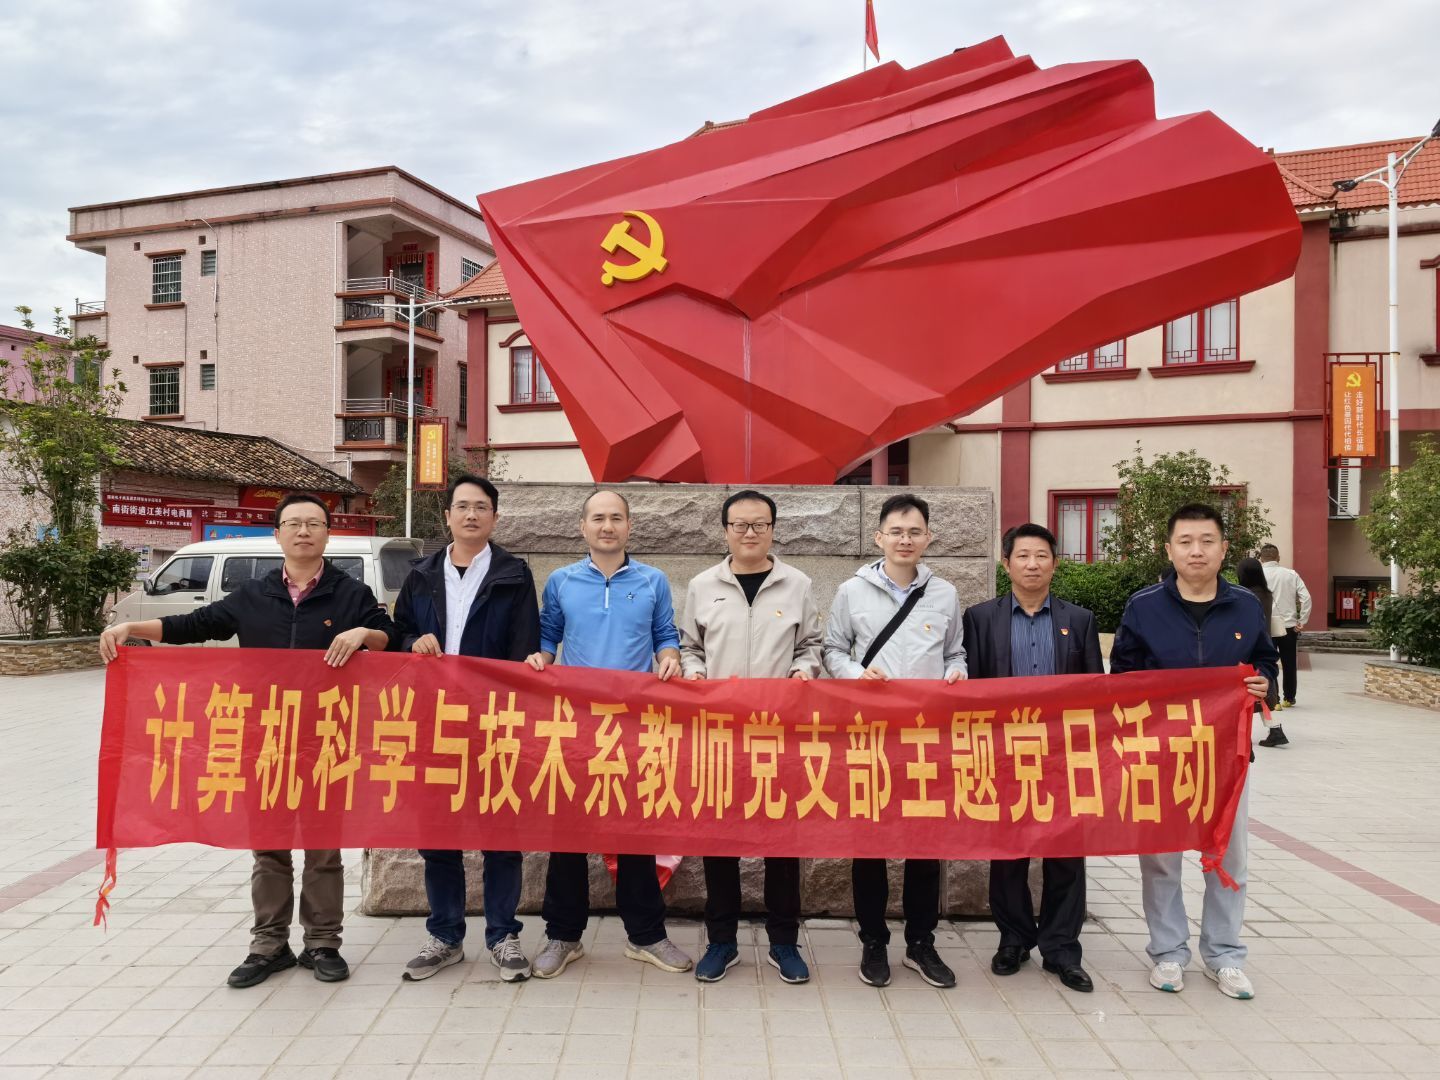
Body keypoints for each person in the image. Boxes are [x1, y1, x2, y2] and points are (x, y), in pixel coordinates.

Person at [99, 493, 396, 989]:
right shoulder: (254, 594)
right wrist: (133, 626)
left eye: (314, 523)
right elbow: (193, 625)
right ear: (277, 535)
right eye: (293, 523)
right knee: (269, 847)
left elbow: (392, 638)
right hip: (265, 738)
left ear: (328, 534)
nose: (304, 531)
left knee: (323, 849)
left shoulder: (351, 594)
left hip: (327, 737)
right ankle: (269, 944)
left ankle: (323, 943)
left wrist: (364, 633)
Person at [1110, 503, 1278, 1001]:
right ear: (1169, 550)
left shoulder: (1245, 605)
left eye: (1207, 541)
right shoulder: (1144, 606)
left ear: (1224, 549)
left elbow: (1266, 661)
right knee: (1161, 860)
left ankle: (1224, 955)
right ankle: (1168, 952)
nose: (1196, 551)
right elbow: (1122, 675)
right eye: (1185, 542)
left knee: (1228, 856)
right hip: (1162, 757)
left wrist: (1264, 683)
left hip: (1227, 759)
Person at [523, 490, 693, 978]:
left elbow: (665, 634)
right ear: (583, 527)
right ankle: (563, 936)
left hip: (634, 724)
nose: (607, 526)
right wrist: (540, 658)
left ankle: (646, 936)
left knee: (635, 832)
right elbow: (549, 636)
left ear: (629, 526)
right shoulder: (562, 580)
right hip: (576, 723)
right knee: (568, 835)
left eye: (616, 517)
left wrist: (670, 657)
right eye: (598, 518)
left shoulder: (652, 580)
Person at [392, 474, 539, 983]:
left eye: (481, 507)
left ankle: (503, 936)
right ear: (448, 516)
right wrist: (412, 641)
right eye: (462, 506)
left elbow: (524, 646)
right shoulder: (421, 574)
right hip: (432, 721)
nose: (471, 514)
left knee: (500, 834)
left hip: (494, 721)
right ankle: (445, 935)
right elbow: (398, 632)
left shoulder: (514, 574)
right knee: (437, 834)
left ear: (495, 517)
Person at [823, 492, 966, 989]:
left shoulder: (944, 594)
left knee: (925, 844)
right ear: (879, 537)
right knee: (870, 843)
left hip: (925, 738)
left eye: (915, 532)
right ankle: (873, 942)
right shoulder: (851, 591)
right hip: (870, 736)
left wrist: (957, 672)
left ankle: (921, 943)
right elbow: (832, 651)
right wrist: (856, 674)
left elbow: (956, 652)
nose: (906, 540)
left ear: (928, 538)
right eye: (897, 532)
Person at [680, 489, 822, 985]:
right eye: (739, 525)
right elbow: (689, 646)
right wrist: (694, 673)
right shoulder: (703, 585)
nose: (749, 533)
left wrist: (804, 671)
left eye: (760, 524)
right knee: (719, 840)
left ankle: (784, 941)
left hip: (778, 734)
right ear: (725, 531)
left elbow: (811, 645)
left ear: (773, 529)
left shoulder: (797, 584)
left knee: (782, 841)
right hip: (720, 734)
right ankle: (722, 941)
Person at [962, 523, 1101, 994]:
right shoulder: (980, 618)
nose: (1032, 564)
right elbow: (971, 691)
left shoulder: (1079, 620)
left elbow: (1095, 693)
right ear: (1006, 564)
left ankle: (1062, 949)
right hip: (1005, 754)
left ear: (1055, 564)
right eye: (1022, 556)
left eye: (1042, 556)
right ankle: (1014, 939)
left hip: (1063, 756)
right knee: (1009, 853)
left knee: (1066, 856)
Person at [1236, 556, 1287, 747]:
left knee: (1249, 693)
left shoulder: (1245, 596)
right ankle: (1275, 730)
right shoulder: (1266, 593)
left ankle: (1247, 735)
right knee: (1263, 693)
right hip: (1264, 644)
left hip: (1249, 647)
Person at [1258, 544, 1312, 712]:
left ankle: (1274, 700)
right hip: (1288, 626)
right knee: (1289, 663)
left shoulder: (1258, 576)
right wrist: (1302, 620)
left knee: (1269, 663)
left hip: (1266, 626)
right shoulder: (1291, 574)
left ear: (1261, 559)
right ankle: (1289, 697)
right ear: (1278, 557)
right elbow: (1306, 598)